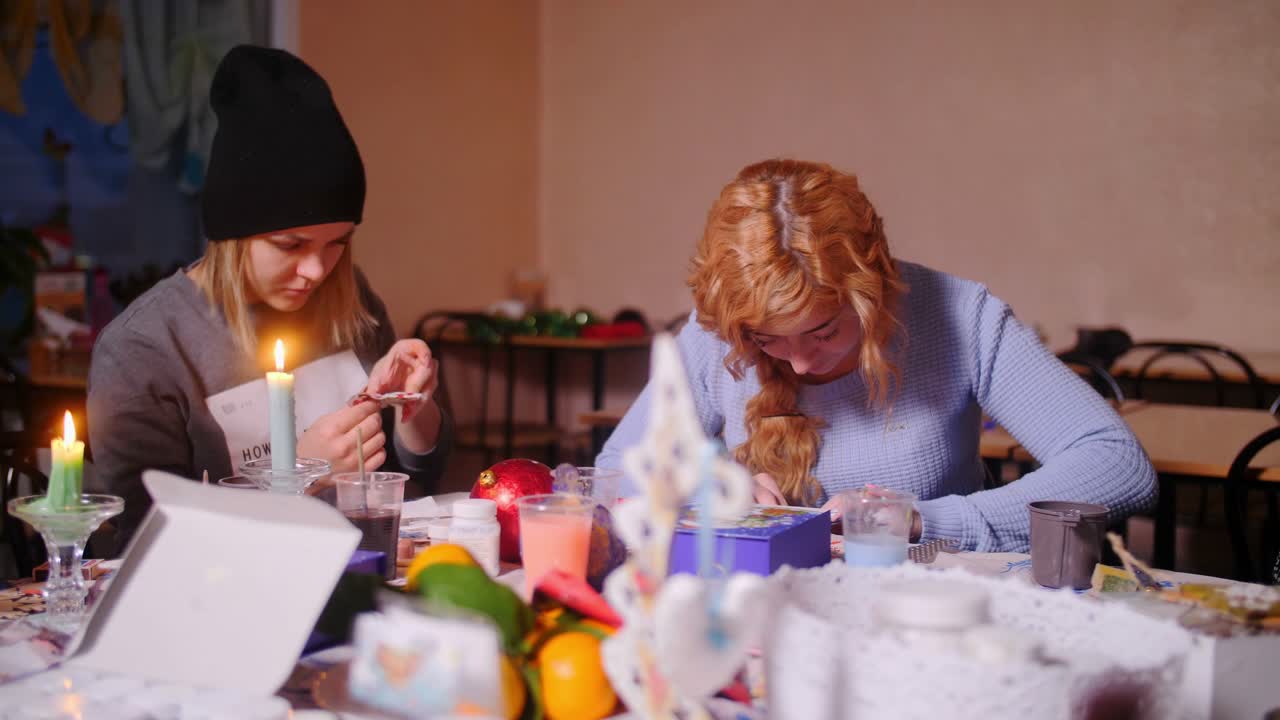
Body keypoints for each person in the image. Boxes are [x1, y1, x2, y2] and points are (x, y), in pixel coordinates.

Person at [597, 159, 1155, 552]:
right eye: (768, 340)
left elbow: (1116, 464)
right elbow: (616, 468)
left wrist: (923, 520)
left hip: (931, 607)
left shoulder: (960, 316)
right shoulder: (721, 326)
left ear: (876, 289)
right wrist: (704, 485)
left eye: (822, 331)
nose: (798, 365)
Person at [88, 46, 452, 554]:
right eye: (291, 245)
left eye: (338, 243)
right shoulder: (144, 349)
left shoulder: (349, 297)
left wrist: (416, 411)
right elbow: (147, 542)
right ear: (233, 236)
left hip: (363, 571)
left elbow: (418, 479)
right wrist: (294, 474)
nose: (316, 271)